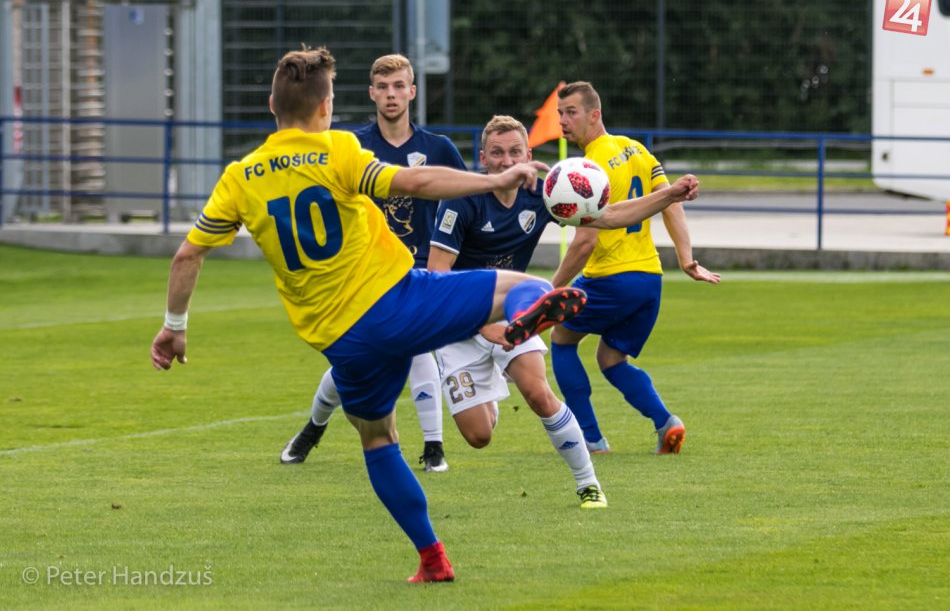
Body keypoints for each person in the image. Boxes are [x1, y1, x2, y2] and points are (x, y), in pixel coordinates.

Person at [150, 46, 586, 583]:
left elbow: (187, 255)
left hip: (342, 341)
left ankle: (432, 559)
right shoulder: (338, 150)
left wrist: (174, 327)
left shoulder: (240, 178)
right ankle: (523, 320)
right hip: (398, 300)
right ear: (326, 106)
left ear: (271, 105)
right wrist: (494, 181)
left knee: (378, 441)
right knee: (527, 286)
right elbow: (416, 182)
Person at [427, 115, 700, 508]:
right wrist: (483, 328)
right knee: (479, 436)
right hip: (459, 321)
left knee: (539, 395)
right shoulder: (462, 200)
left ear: (528, 155)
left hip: (510, 311)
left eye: (515, 152)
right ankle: (491, 386)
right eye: (497, 153)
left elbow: (610, 216)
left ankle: (589, 484)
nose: (507, 161)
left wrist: (669, 194)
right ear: (483, 158)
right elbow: (437, 276)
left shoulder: (543, 194)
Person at [280, 54, 465, 472]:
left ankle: (433, 447)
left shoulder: (438, 148)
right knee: (356, 360)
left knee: (416, 346)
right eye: (383, 87)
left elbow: (465, 204)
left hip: (417, 267)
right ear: (371, 93)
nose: (391, 94)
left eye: (399, 86)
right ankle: (313, 427)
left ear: (412, 92)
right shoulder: (350, 145)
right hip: (361, 273)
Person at [550, 81, 721, 456]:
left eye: (571, 112)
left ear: (595, 115)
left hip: (611, 278)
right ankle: (666, 422)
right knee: (610, 359)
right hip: (649, 280)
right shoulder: (636, 149)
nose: (562, 120)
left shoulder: (589, 167)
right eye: (560, 113)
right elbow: (670, 200)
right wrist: (686, 257)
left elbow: (585, 242)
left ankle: (590, 438)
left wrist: (552, 289)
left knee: (561, 338)